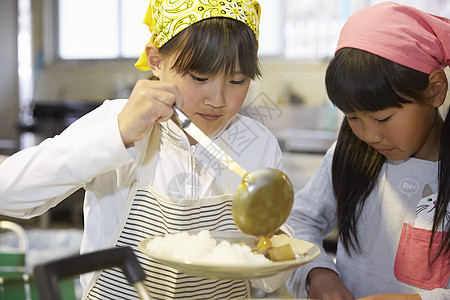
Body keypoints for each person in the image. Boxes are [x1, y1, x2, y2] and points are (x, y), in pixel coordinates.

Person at [0, 0, 291, 298]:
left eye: (236, 80)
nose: (217, 99)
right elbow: (7, 194)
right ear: (156, 61)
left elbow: (267, 281)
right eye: (200, 78)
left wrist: (273, 243)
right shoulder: (114, 121)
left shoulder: (258, 144)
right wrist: (118, 135)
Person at [285, 2, 450, 300]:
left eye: (383, 117)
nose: (370, 135)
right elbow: (301, 219)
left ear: (435, 90)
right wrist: (318, 271)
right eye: (352, 117)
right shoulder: (350, 154)